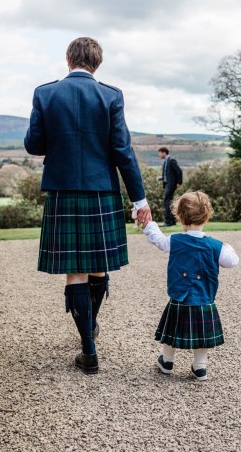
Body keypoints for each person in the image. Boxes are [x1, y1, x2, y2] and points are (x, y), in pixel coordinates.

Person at [24, 37, 151, 374]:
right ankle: (90, 328)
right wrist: (140, 199)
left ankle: (88, 348)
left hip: (63, 192)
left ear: (68, 59)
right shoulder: (111, 95)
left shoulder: (45, 93)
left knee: (76, 270)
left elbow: (34, 145)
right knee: (97, 267)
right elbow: (123, 151)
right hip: (102, 193)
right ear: (98, 63)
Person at [143, 191, 239, 381]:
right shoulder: (216, 246)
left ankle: (167, 361)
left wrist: (148, 224)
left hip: (179, 297)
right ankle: (200, 367)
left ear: (179, 217)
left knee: (172, 331)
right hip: (204, 299)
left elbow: (157, 239)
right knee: (202, 335)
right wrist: (227, 246)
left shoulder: (175, 240)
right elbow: (232, 261)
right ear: (207, 216)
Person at [158, 147, 183, 226]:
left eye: (160, 153)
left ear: (164, 152)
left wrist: (179, 182)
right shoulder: (166, 161)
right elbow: (169, 174)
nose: (159, 155)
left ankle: (168, 221)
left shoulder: (171, 160)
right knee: (170, 202)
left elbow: (179, 171)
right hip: (167, 184)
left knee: (167, 202)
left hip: (171, 184)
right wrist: (161, 178)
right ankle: (172, 221)